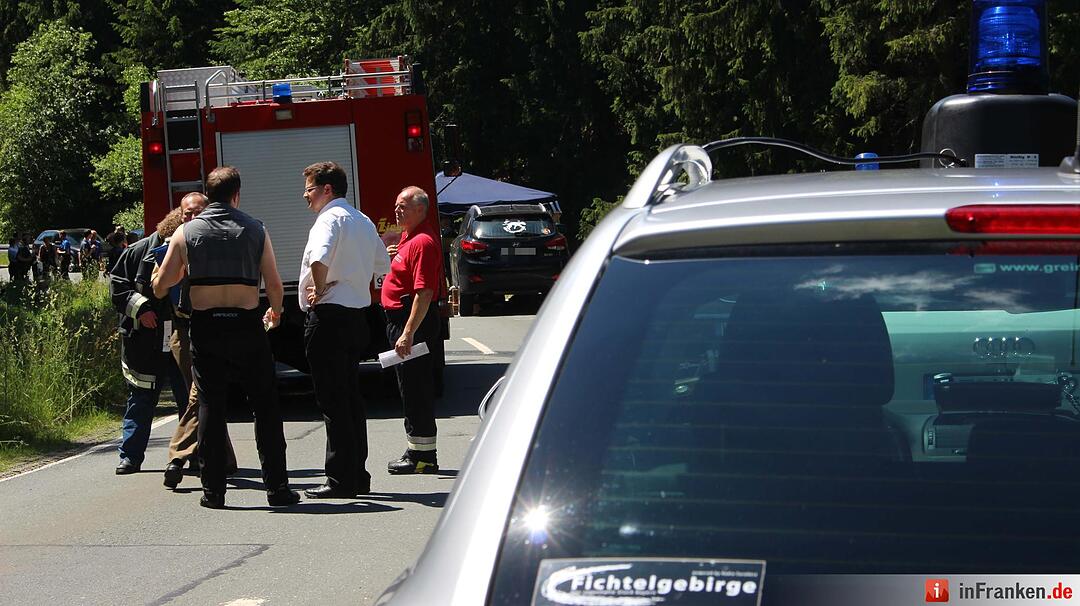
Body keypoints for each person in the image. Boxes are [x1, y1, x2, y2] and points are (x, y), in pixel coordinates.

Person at [153, 166, 299, 509]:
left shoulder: (187, 232)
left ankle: (213, 491)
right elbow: (274, 284)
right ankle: (277, 488)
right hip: (247, 325)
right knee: (264, 406)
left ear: (209, 193)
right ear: (236, 195)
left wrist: (169, 272)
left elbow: (162, 286)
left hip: (206, 327)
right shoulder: (255, 229)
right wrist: (275, 312)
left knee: (210, 407)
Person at [299, 162, 389, 498]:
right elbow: (383, 264)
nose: (305, 196)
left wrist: (320, 288)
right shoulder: (362, 219)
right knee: (351, 398)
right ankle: (357, 473)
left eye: (309, 189)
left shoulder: (328, 219)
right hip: (357, 317)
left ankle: (339, 479)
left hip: (330, 317)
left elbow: (319, 259)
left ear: (326, 189)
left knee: (333, 402)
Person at [159, 193, 238, 490]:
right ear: (180, 216)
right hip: (183, 331)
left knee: (201, 395)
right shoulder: (170, 245)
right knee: (205, 396)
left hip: (216, 327)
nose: (192, 218)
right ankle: (224, 458)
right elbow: (156, 286)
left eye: (197, 212)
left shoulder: (225, 241)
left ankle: (177, 458)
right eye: (187, 213)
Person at [110, 222, 188, 475]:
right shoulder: (137, 252)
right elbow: (118, 286)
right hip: (144, 339)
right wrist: (142, 309)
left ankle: (196, 455)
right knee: (141, 397)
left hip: (181, 338)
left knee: (189, 400)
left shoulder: (192, 248)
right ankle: (131, 457)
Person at [381, 186, 444, 474]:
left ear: (420, 209)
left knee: (416, 389)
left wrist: (407, 333)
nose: (397, 210)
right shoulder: (408, 239)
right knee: (409, 389)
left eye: (403, 206)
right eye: (396, 205)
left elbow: (425, 292)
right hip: (401, 319)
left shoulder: (423, 243)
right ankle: (417, 451)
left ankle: (422, 458)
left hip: (411, 321)